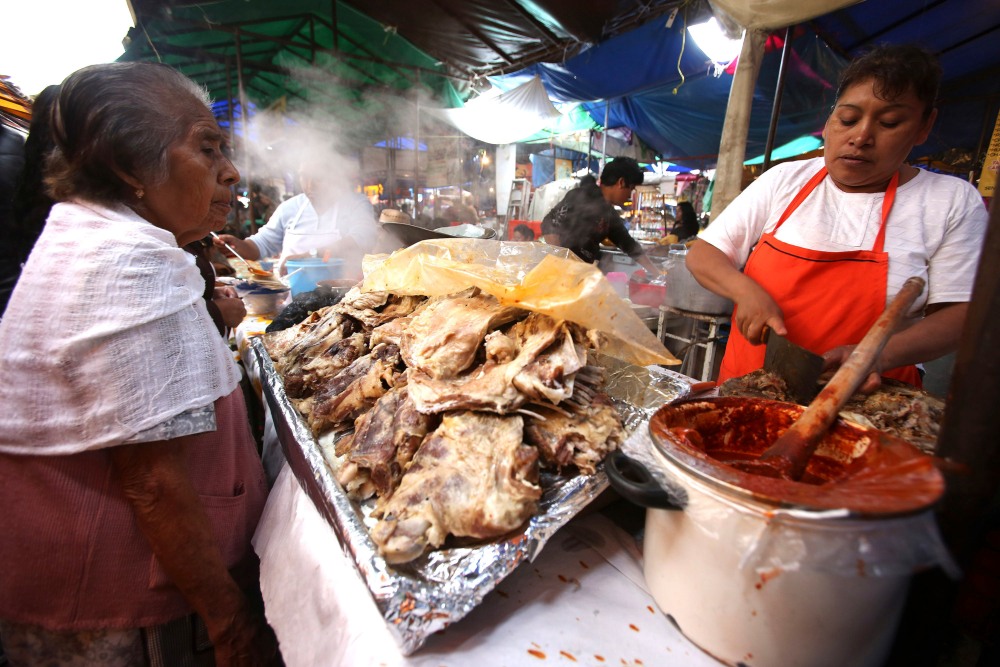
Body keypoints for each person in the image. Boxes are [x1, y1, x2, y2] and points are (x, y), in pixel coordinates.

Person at [0, 62, 278, 666]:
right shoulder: (124, 261)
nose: (231, 171)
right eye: (207, 148)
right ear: (129, 167)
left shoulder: (103, 236)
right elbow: (152, 481)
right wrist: (232, 625)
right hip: (114, 600)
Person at [686, 44, 988, 390]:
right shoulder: (783, 180)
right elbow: (703, 255)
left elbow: (963, 315)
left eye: (889, 122)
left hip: (865, 403)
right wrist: (746, 292)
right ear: (829, 121)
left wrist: (875, 355)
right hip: (750, 391)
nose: (861, 137)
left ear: (924, 126)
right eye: (848, 119)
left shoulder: (950, 200)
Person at [214, 156, 377, 280]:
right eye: (304, 177)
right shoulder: (290, 207)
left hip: (342, 298)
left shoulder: (355, 203)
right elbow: (262, 244)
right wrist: (239, 245)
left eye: (318, 178)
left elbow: (363, 238)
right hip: (293, 297)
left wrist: (311, 256)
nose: (310, 185)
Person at [541, 157, 662, 275]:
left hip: (581, 273)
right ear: (621, 182)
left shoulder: (609, 214)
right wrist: (562, 262)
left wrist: (657, 274)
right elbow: (549, 224)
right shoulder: (581, 196)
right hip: (560, 274)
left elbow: (630, 246)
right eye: (631, 189)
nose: (630, 195)